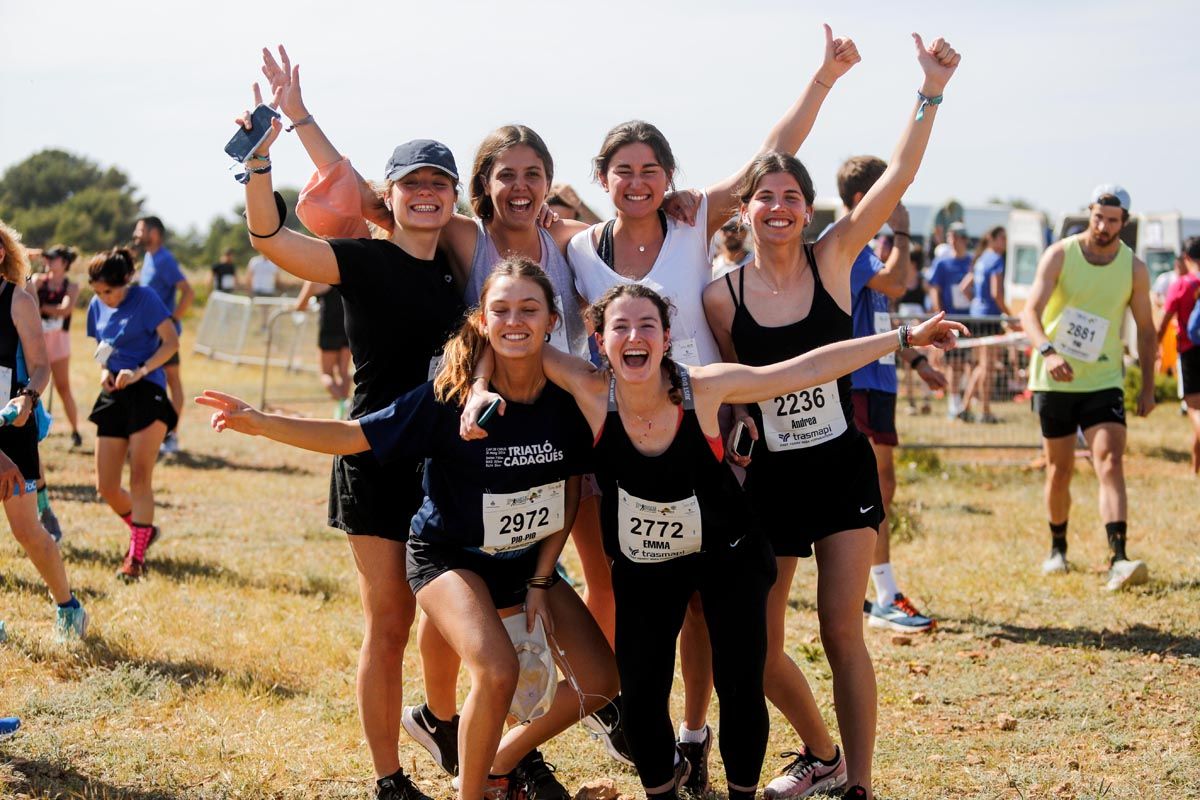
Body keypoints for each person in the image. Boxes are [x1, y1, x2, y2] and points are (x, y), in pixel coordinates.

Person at [265, 45, 631, 782]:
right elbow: (368, 196)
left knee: (480, 598)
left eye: (534, 175)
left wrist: (676, 200)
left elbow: (629, 244)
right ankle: (408, 759)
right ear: (484, 189)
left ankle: (485, 729)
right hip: (416, 427)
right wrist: (301, 119)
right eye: (507, 175)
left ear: (550, 185)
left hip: (499, 439)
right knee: (399, 617)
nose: (521, 187)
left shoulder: (566, 242)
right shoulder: (466, 237)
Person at [468, 282, 965, 800]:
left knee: (741, 686)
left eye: (647, 326)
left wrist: (904, 336)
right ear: (598, 339)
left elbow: (804, 370)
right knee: (640, 695)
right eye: (620, 326)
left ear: (666, 340)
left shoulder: (701, 386)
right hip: (646, 566)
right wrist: (480, 386)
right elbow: (507, 335)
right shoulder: (592, 390)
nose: (633, 336)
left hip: (728, 557)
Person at [198, 260, 619, 800]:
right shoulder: (451, 397)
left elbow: (564, 489)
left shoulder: (566, 406)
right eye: (502, 310)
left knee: (603, 681)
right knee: (497, 670)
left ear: (552, 320)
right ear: (483, 322)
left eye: (529, 309)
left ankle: (500, 758)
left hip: (524, 563)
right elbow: (351, 437)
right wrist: (262, 422)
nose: (515, 321)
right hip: (450, 559)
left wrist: (541, 579)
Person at [565, 27, 861, 790]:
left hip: (711, 427)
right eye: (624, 171)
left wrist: (822, 79)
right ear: (602, 177)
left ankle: (698, 732)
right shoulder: (574, 247)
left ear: (668, 178)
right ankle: (672, 738)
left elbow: (772, 154)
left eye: (651, 170)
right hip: (627, 437)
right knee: (649, 596)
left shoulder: (694, 217)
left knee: (715, 610)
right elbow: (500, 234)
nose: (638, 182)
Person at [700, 34, 960, 800]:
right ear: (744, 212)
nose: (779, 208)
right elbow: (740, 386)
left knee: (843, 630)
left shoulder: (835, 257)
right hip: (773, 479)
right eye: (765, 197)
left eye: (790, 197)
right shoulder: (723, 295)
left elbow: (901, 174)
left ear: (805, 208)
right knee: (761, 645)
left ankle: (861, 784)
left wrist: (930, 89)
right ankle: (821, 752)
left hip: (840, 467)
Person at [234, 81, 465, 800]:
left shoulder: (461, 269)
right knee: (390, 617)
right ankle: (389, 777)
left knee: (450, 609)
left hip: (446, 462)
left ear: (453, 195)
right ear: (387, 198)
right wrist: (262, 165)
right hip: (372, 454)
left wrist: (304, 119)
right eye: (411, 184)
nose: (425, 194)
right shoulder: (362, 258)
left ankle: (442, 717)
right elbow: (272, 241)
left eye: (438, 183)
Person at [826, 158, 947, 635]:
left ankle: (874, 588)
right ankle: (878, 592)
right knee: (869, 491)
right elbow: (899, 282)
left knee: (881, 490)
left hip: (881, 381)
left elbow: (882, 312)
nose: (898, 200)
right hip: (856, 383)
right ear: (863, 199)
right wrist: (902, 233)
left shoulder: (870, 247)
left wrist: (917, 363)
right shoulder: (852, 243)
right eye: (889, 191)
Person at [1020, 184, 1158, 590]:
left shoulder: (1134, 268)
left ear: (1124, 224)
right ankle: (1057, 548)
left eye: (1111, 221)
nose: (1102, 226)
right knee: (1060, 470)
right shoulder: (1061, 253)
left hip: (1104, 380)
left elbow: (1147, 331)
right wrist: (1048, 351)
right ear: (1090, 213)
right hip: (1055, 379)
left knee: (1110, 460)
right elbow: (1030, 311)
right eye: (1097, 217)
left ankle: (1119, 556)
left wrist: (1148, 387)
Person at [0, 220, 87, 641]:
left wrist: (27, 399)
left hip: (11, 425)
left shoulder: (17, 299)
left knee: (26, 529)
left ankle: (68, 607)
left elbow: (39, 365)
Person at [86, 248, 179, 581]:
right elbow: (102, 347)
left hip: (147, 390)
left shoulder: (146, 298)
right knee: (106, 487)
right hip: (114, 393)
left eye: (108, 291)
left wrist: (140, 370)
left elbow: (171, 343)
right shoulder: (96, 305)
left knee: (139, 478)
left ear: (125, 281)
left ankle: (135, 558)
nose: (103, 299)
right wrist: (103, 373)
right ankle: (144, 530)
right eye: (97, 292)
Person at [133, 216, 192, 455]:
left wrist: (173, 319)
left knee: (172, 382)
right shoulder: (148, 257)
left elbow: (187, 291)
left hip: (164, 338)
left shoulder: (165, 259)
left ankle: (172, 436)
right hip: (149, 335)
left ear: (154, 233)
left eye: (140, 229)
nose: (136, 233)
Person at [1156, 236, 1200, 472]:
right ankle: (1196, 469)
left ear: (1185, 257)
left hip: (1191, 351)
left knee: (1194, 409)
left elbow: (1163, 321)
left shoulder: (1183, 284)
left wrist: (1153, 347)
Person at [32, 246, 82, 447]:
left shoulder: (72, 286)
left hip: (59, 342)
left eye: (54, 259)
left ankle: (75, 430)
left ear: (64, 263)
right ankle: (34, 429)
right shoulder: (37, 280)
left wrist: (42, 308)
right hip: (38, 340)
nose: (49, 262)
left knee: (63, 387)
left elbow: (65, 309)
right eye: (48, 258)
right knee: (33, 387)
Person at [961, 226, 1009, 422]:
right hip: (990, 317)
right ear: (994, 239)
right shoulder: (996, 260)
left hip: (978, 316)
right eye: (1003, 239)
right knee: (987, 366)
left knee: (983, 365)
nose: (1005, 243)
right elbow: (996, 293)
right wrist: (1009, 314)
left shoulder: (981, 259)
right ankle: (984, 410)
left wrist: (976, 302)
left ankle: (966, 406)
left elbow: (965, 287)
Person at [927, 221, 974, 417]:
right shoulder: (942, 263)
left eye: (956, 237)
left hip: (971, 320)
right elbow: (934, 289)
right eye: (950, 237)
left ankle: (966, 403)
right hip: (951, 319)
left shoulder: (971, 262)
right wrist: (939, 316)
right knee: (954, 364)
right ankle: (954, 402)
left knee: (970, 363)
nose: (952, 242)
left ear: (964, 239)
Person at [295, 280, 351, 419]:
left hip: (328, 331)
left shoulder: (315, 279)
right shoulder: (345, 270)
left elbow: (300, 306)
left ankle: (345, 403)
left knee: (326, 374)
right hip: (348, 329)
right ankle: (345, 410)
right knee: (344, 372)